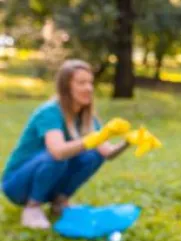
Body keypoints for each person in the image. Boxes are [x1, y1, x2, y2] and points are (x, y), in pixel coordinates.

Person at [2, 59, 133, 229]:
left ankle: (59, 203)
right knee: (61, 155)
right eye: (81, 83)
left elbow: (106, 152)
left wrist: (128, 142)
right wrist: (93, 139)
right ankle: (32, 207)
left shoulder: (87, 118)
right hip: (17, 184)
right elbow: (57, 152)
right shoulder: (50, 112)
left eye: (90, 83)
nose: (88, 88)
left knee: (94, 155)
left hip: (48, 177)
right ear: (66, 87)